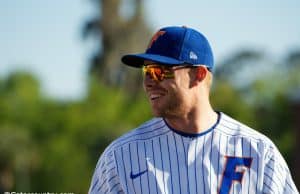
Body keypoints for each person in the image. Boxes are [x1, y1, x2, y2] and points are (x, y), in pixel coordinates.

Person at [88, 26, 298, 194]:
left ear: (198, 75)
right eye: (146, 71)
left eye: (159, 72)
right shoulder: (121, 155)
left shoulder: (258, 151)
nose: (149, 82)